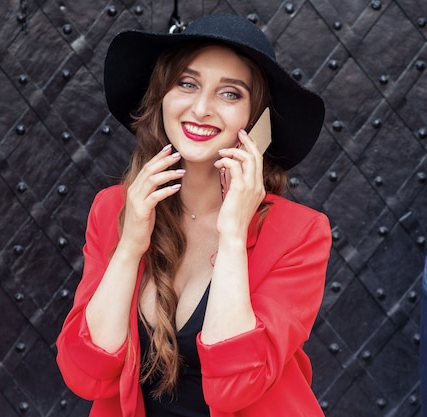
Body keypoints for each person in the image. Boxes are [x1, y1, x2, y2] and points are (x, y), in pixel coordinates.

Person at [55, 13, 332, 417]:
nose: (201, 108)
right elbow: (86, 374)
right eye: (187, 83)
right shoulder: (114, 208)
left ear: (257, 122)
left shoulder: (301, 233)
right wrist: (131, 245)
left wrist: (234, 235)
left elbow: (235, 389)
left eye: (230, 94)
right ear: (162, 96)